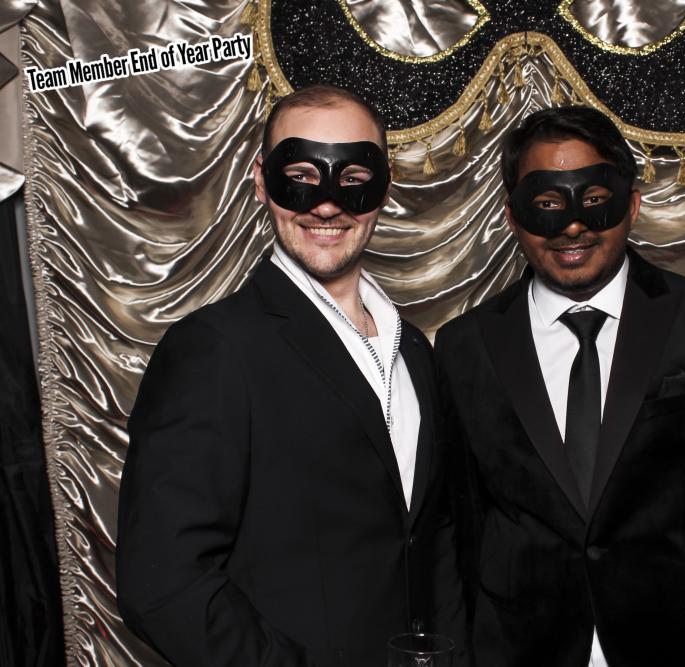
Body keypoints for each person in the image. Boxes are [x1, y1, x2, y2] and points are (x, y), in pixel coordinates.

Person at [434, 106, 685, 666]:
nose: (573, 226)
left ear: (633, 204)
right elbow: (459, 531)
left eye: (595, 200)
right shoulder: (465, 347)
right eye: (547, 204)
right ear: (512, 215)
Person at [116, 85, 465, 666]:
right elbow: (162, 583)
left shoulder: (415, 353)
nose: (326, 206)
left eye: (353, 179)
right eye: (300, 176)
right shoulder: (215, 349)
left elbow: (433, 541)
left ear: (385, 187)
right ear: (261, 181)